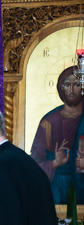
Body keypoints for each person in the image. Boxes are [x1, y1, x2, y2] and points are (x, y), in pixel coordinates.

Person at [30, 66, 84, 203]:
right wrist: (56, 162)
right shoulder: (48, 122)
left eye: (77, 84)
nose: (71, 90)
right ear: (61, 88)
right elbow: (34, 165)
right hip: (55, 192)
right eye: (67, 85)